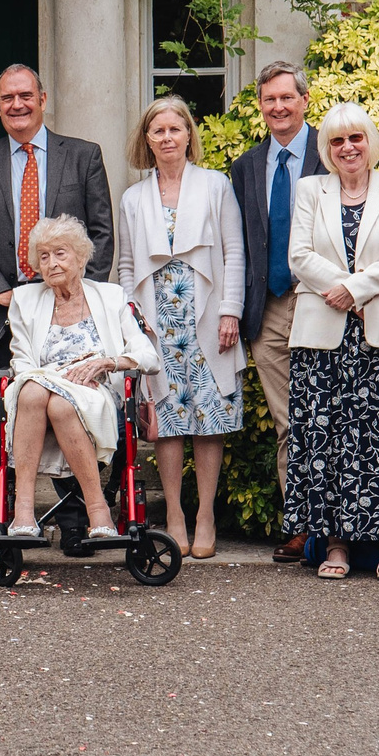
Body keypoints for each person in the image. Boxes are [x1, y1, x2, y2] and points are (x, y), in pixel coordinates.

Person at [0, 63, 115, 555]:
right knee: (7, 418)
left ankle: (74, 522)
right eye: (8, 98)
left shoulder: (83, 155)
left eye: (26, 95)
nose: (17, 105)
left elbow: (101, 232)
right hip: (3, 312)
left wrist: (77, 297)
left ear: (42, 98)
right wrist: (2, 292)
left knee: (70, 411)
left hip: (70, 315)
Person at [284, 101, 379, 581]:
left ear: (370, 142)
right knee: (329, 440)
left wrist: (355, 290)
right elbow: (299, 255)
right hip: (321, 336)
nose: (347, 148)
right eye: (337, 140)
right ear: (327, 148)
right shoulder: (310, 190)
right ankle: (335, 543)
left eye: (356, 137)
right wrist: (344, 291)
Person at [114, 95, 245, 558]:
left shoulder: (215, 185)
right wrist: (132, 321)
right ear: (147, 140)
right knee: (166, 422)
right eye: (158, 131)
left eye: (175, 129)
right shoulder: (134, 197)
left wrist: (231, 310)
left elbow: (234, 251)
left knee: (209, 420)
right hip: (156, 324)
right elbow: (126, 265)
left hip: (207, 318)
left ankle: (205, 514)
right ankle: (174, 515)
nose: (167, 138)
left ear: (189, 134)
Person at [0, 216, 161, 540]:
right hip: (41, 390)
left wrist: (110, 362)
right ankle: (23, 512)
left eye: (60, 253)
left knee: (61, 404)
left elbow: (148, 356)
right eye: (44, 256)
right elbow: (22, 360)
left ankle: (98, 510)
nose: (52, 263)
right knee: (33, 392)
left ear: (80, 256)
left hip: (95, 391)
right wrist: (52, 380)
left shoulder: (111, 297)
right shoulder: (25, 301)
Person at [228, 59, 324, 562]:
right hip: (267, 310)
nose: (279, 106)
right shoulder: (246, 167)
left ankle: (338, 525)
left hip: (322, 302)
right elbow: (241, 243)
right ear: (261, 106)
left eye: (287, 97)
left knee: (328, 415)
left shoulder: (333, 152)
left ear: (304, 100)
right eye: (270, 99)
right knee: (288, 422)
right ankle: (300, 524)